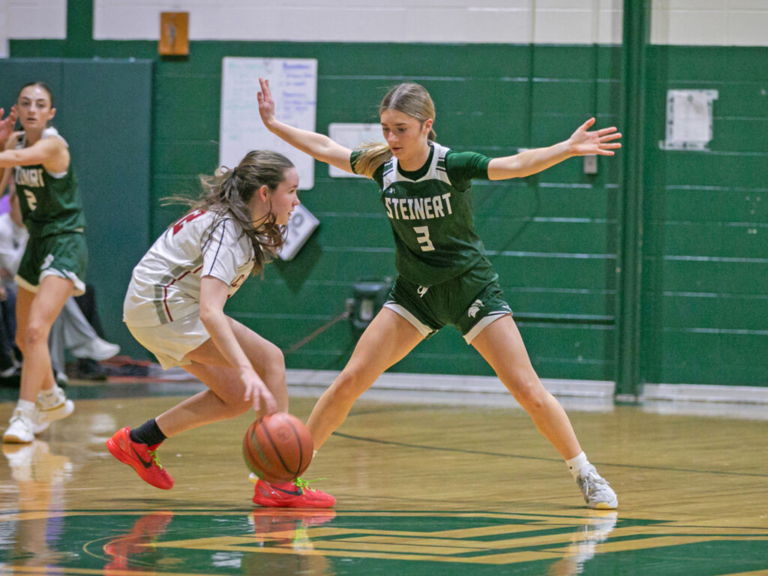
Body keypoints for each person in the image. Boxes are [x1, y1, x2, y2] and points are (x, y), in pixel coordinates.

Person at [257, 78, 622, 509]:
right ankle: (288, 475)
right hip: (414, 293)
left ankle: (585, 473)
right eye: (386, 127)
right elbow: (325, 147)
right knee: (350, 380)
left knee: (526, 388)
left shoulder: (453, 165)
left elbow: (517, 165)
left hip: (470, 287)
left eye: (401, 129)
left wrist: (566, 148)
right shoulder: (381, 165)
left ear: (427, 125)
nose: (391, 138)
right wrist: (275, 124)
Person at [106, 149, 334, 508]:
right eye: (290, 191)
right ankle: (278, 482)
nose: (296, 200)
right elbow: (210, 311)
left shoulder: (240, 222)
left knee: (236, 397)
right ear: (264, 193)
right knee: (268, 361)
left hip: (159, 304)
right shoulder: (228, 229)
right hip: (162, 307)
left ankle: (138, 441)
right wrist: (247, 367)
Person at [0, 83, 85, 443]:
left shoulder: (53, 144)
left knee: (37, 331)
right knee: (23, 336)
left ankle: (24, 414)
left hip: (65, 241)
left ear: (50, 113)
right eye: (25, 104)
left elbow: (18, 161)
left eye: (40, 104)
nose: (32, 109)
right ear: (16, 111)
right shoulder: (14, 144)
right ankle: (52, 398)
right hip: (36, 242)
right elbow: (2, 189)